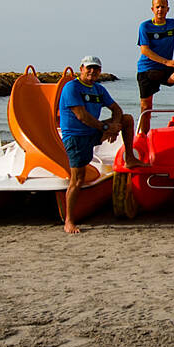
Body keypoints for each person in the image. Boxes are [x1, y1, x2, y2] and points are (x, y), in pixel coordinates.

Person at [56, 56, 132, 234]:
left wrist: (114, 126)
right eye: (89, 68)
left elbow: (117, 109)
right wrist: (107, 127)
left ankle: (130, 158)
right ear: (81, 69)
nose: (92, 72)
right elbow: (82, 116)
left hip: (93, 132)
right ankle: (69, 221)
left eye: (96, 69)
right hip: (76, 137)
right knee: (78, 179)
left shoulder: (98, 89)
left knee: (126, 119)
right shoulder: (71, 88)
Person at [135, 0, 174, 132]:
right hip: (147, 70)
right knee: (146, 108)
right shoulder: (145, 26)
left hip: (165, 69)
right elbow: (145, 50)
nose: (160, 10)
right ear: (152, 9)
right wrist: (166, 61)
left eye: (163, 7)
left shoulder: (172, 24)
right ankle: (143, 136)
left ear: (168, 9)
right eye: (157, 7)